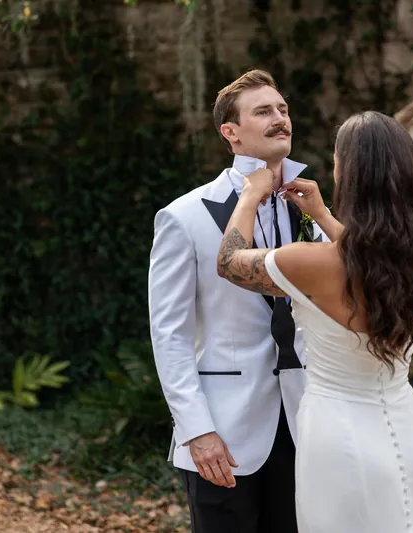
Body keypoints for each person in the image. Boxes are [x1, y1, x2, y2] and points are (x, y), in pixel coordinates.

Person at [216, 110, 413, 533]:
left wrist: (250, 195)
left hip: (338, 436)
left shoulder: (308, 263)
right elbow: (372, 263)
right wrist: (322, 216)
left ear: (351, 177)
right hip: (410, 431)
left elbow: (229, 263)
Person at [148, 69, 328, 533]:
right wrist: (196, 430)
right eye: (263, 111)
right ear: (231, 132)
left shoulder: (310, 209)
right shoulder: (183, 217)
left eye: (283, 109)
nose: (279, 118)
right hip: (223, 431)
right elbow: (170, 334)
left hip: (307, 424)